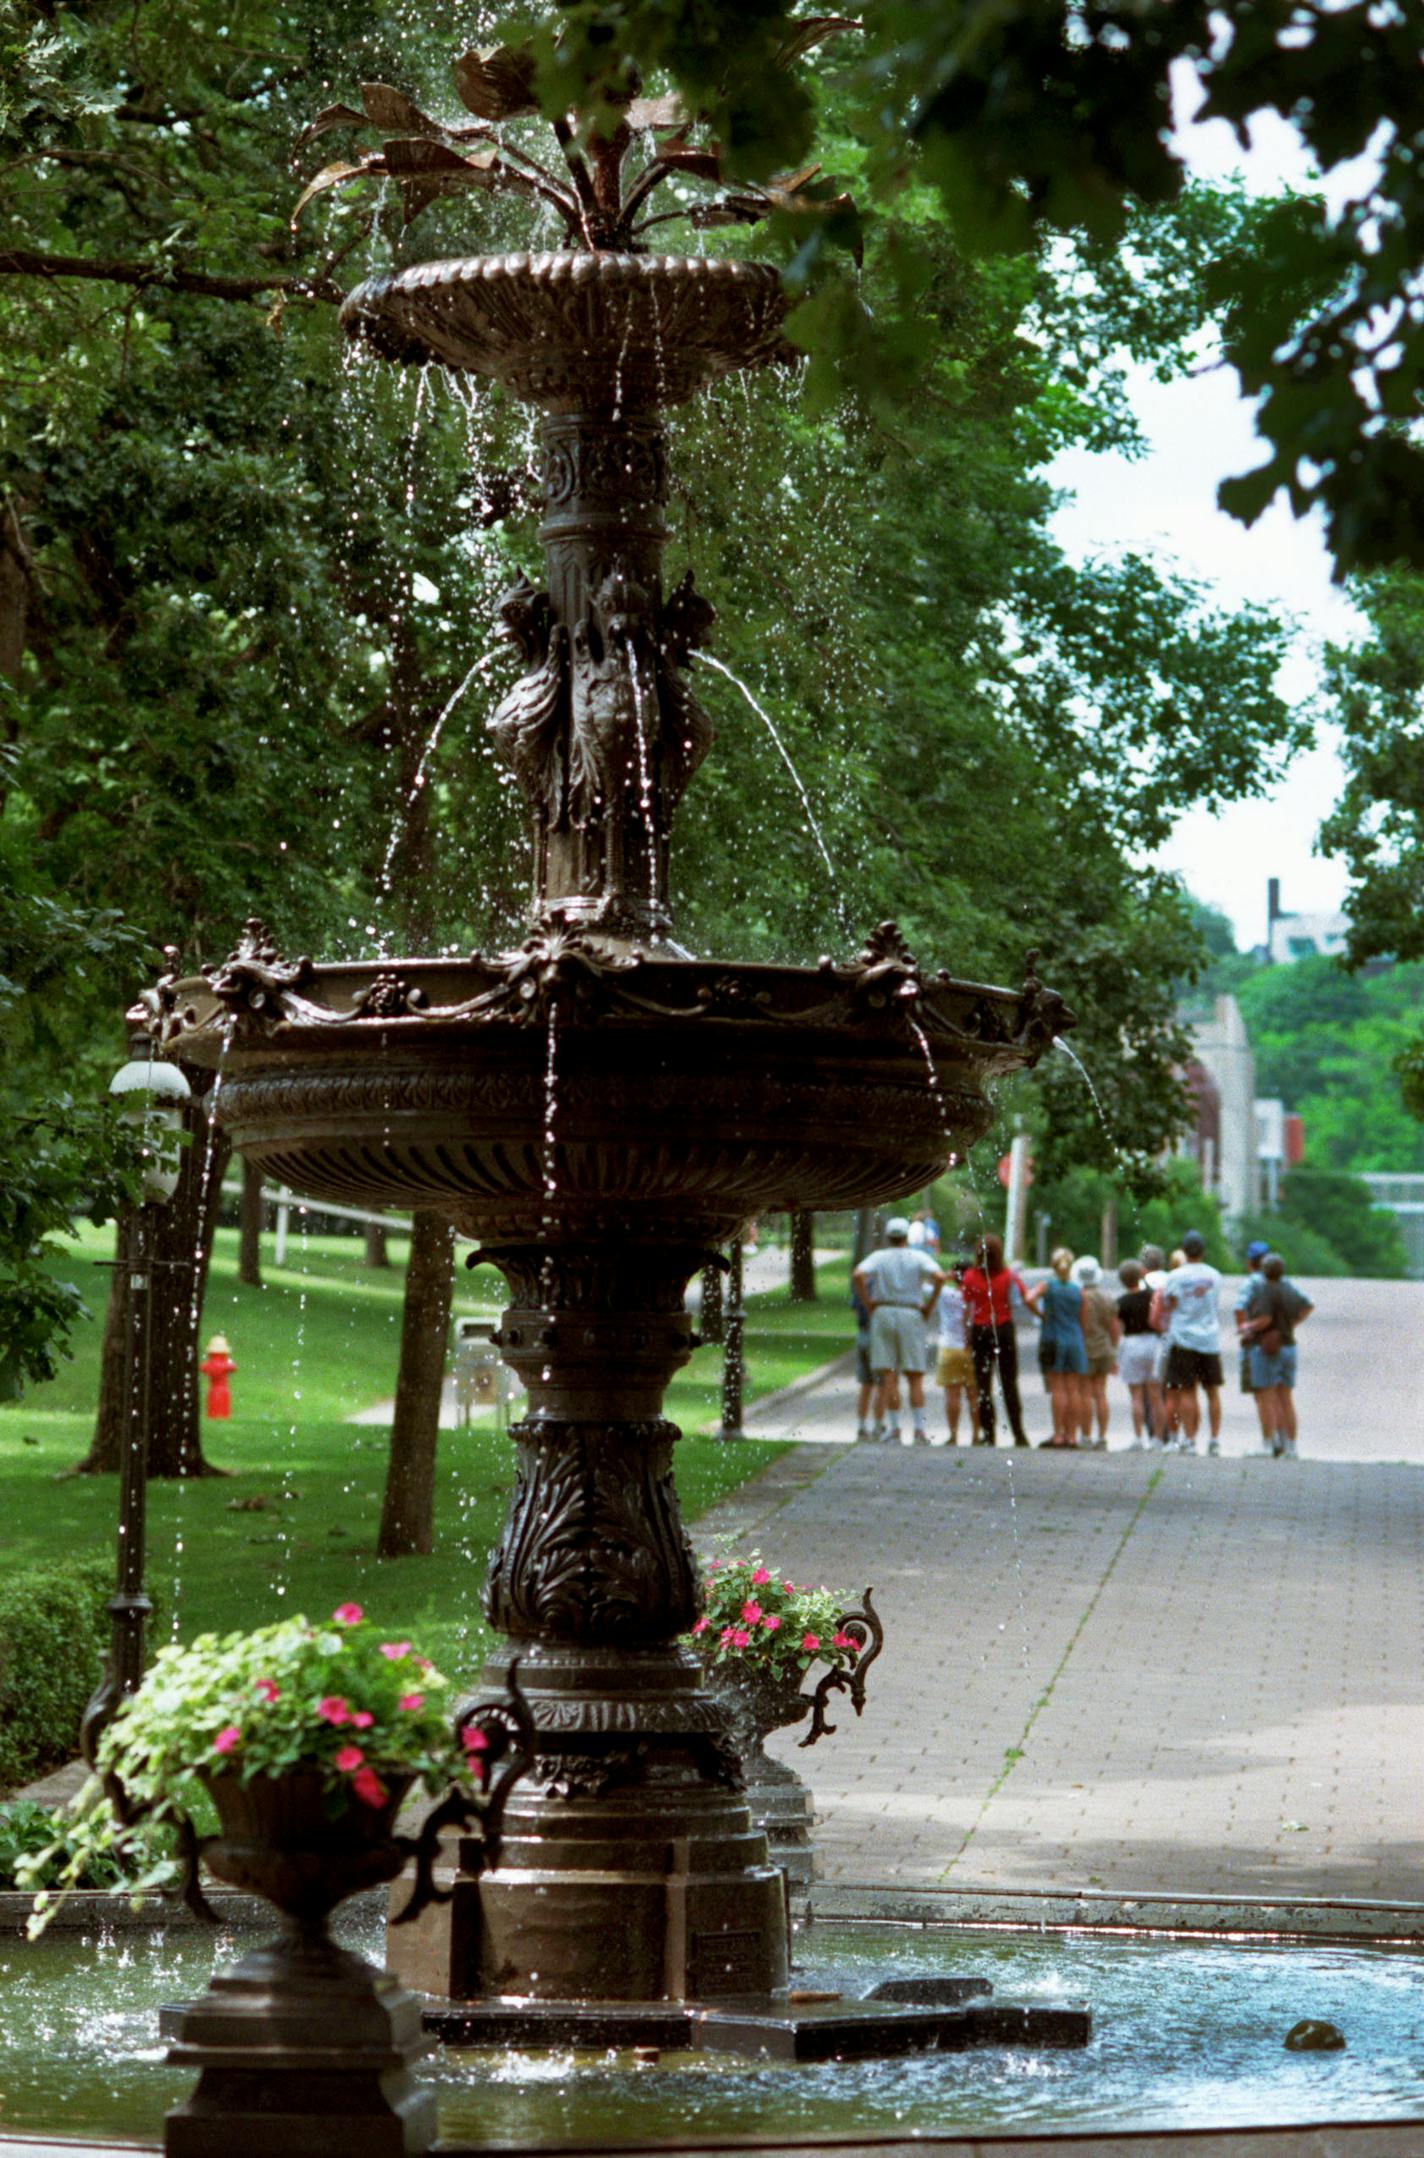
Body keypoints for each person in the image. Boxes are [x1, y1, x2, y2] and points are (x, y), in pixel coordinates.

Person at [852, 1217, 946, 1445]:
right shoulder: (917, 1256)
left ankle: (894, 1428)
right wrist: (929, 1305)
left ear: (888, 1237)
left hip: (884, 1312)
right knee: (915, 1376)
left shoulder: (880, 1257)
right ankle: (919, 1429)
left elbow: (858, 1275)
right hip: (910, 1312)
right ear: (906, 1236)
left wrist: (869, 1303)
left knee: (889, 1374)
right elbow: (939, 1277)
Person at [963, 1232, 1040, 1447]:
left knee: (983, 1385)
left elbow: (965, 1306)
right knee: (1009, 1384)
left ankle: (989, 1434)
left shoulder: (970, 1276)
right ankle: (1018, 1434)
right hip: (1003, 1329)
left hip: (980, 1331)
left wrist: (966, 1333)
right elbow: (1023, 1298)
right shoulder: (1009, 1276)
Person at [1243, 1252, 1314, 1458]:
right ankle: (1291, 1446)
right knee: (1286, 1399)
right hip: (1288, 1345)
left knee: (1267, 1398)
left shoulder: (1266, 1290)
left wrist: (1248, 1325)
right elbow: (1308, 1305)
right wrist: (1294, 1323)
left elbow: (1264, 1319)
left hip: (1268, 1347)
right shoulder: (1288, 1288)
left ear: (1264, 1271)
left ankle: (1267, 1444)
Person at [1160, 1230, 1224, 1454]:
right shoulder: (1215, 1276)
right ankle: (1214, 1440)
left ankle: (1190, 1439)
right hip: (1209, 1339)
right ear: (1203, 1251)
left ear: (1184, 1251)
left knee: (1187, 1391)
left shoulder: (1175, 1277)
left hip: (1183, 1338)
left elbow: (1170, 1305)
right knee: (1212, 1391)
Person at [1038, 1247, 1089, 1446]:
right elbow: (1083, 1320)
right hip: (1075, 1340)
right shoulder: (1079, 1290)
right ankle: (1073, 1435)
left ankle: (1058, 1434)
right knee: (1074, 1390)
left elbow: (1028, 1298)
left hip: (1054, 1338)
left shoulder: (1048, 1286)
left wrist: (1041, 1314)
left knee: (1058, 1389)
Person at [1073, 1256, 1119, 1447]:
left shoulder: (1078, 1297)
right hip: (1104, 1349)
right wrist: (1114, 1349)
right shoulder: (1107, 1298)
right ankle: (1102, 1437)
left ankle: (1086, 1436)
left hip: (1085, 1349)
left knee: (1085, 1394)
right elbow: (1113, 1327)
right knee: (1100, 1393)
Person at [1115, 1260, 1161, 1448]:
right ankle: (1157, 1439)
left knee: (1136, 1395)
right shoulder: (1152, 1296)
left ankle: (1137, 1437)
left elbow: (1117, 1329)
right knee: (1155, 1395)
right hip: (1152, 1343)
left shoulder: (1121, 1302)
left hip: (1132, 1343)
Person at [934, 1256, 979, 1445]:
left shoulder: (945, 1294)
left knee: (952, 1395)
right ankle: (976, 1435)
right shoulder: (976, 1294)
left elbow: (928, 1283)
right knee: (974, 1395)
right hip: (971, 1347)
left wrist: (946, 1276)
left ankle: (953, 1434)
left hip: (949, 1347)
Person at [1234, 1239, 1271, 1451]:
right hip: (1276, 1341)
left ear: (1250, 1262)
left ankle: (1266, 1441)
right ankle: (1279, 1439)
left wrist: (1245, 1328)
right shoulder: (1275, 1281)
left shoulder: (1251, 1283)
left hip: (1256, 1342)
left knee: (1261, 1394)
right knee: (1275, 1395)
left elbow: (1239, 1307)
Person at [851, 1276, 876, 1443]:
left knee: (866, 1384)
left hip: (862, 1333)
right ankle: (879, 1425)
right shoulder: (882, 1285)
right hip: (878, 1335)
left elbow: (854, 1307)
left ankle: (861, 1425)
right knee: (884, 1383)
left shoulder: (861, 1285)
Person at [199, 1334, 236, 1420]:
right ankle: (222, 1416)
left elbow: (202, 1368)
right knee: (223, 1409)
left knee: (213, 1408)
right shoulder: (225, 1364)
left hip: (212, 1389)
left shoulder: (209, 1364)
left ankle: (213, 1416)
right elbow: (233, 1367)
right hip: (223, 1389)